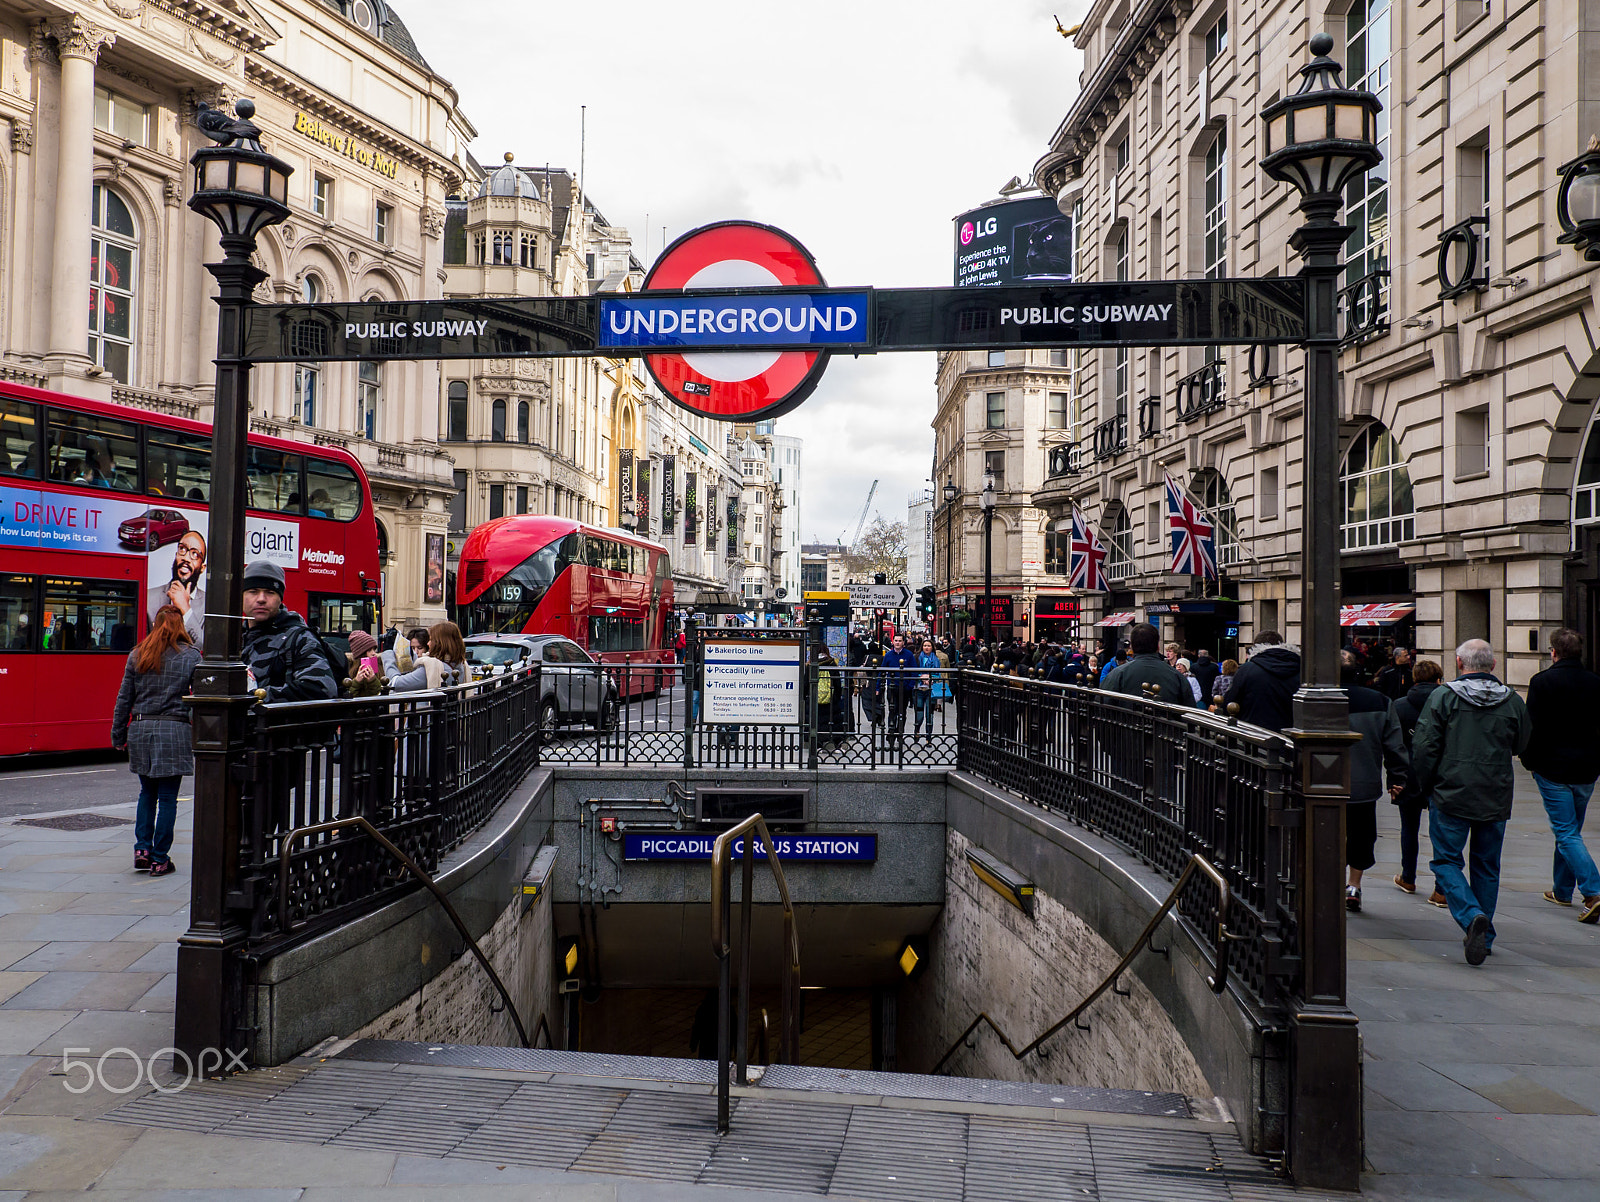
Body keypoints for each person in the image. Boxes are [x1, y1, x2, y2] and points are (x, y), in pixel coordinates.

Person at [1411, 639, 1532, 964]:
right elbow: (1522, 744)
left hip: (1450, 792)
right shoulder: (1512, 701)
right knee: (1487, 865)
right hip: (1494, 793)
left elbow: (1424, 747)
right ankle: (1485, 935)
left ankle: (1470, 916)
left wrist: (1425, 785)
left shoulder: (1444, 696)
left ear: (1459, 664)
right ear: (1493, 666)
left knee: (1447, 862)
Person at [110, 605, 202, 877]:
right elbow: (198, 701)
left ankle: (142, 850)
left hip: (140, 729)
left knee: (146, 793)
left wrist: (118, 734)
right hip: (174, 730)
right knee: (168, 798)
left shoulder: (138, 654)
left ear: (156, 625)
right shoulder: (192, 657)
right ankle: (160, 858)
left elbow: (123, 699)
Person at [1520, 628, 1600, 922]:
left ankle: (1593, 891)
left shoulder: (1542, 682)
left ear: (1553, 652)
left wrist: (1529, 761)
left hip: (1553, 767)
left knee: (1566, 832)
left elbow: (1533, 727)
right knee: (1570, 830)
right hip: (1586, 768)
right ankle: (1562, 889)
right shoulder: (1595, 682)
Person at [1344, 661, 1408, 912]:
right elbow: (1394, 744)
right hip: (1364, 783)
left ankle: (1328, 885)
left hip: (1321, 783)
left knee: (1326, 834)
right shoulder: (1380, 702)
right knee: (1361, 836)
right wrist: (1396, 778)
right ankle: (1354, 885)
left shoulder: (1315, 697)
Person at [241, 561, 338, 702]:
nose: (261, 599)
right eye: (253, 591)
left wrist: (257, 697)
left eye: (270, 592)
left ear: (280, 598)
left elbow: (322, 688)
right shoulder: (233, 638)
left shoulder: (300, 638)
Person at [1390, 659, 1445, 898]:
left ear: (1414, 679)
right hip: (1439, 774)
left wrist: (1394, 777)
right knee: (1441, 831)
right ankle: (1441, 888)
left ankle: (1408, 877)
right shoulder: (1446, 704)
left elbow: (1393, 746)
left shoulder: (1399, 706)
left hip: (1408, 774)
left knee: (1409, 828)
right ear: (1439, 680)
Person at [1221, 632, 1300, 732]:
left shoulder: (1246, 670)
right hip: (1290, 737)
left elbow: (1229, 703)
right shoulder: (1300, 670)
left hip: (1255, 736)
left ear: (1255, 648)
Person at [1103, 623, 1194, 705]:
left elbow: (1102, 706)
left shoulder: (1116, 674)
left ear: (1132, 647)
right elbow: (1190, 712)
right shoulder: (1177, 677)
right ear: (1158, 647)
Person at [147, 530, 208, 650]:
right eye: (182, 549)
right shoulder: (149, 597)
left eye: (195, 554)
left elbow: (204, 649)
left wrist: (185, 609)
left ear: (202, 568)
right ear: (176, 556)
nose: (186, 558)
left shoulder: (210, 604)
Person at [390, 621, 469, 691]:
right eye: (412, 648)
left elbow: (395, 684)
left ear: (440, 643)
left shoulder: (432, 666)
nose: (429, 643)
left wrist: (388, 654)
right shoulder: (460, 664)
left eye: (431, 640)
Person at [880, 634, 917, 736]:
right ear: (893, 642)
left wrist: (910, 686)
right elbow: (882, 671)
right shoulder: (888, 655)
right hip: (892, 687)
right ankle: (891, 732)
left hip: (904, 688)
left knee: (902, 712)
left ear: (903, 643)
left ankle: (900, 731)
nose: (897, 642)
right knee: (892, 710)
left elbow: (914, 672)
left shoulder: (908, 655)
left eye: (900, 641)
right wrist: (878, 687)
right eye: (896, 640)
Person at [912, 637, 942, 737]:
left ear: (932, 647)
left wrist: (930, 677)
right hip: (919, 689)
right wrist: (921, 676)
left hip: (931, 689)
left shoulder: (936, 659)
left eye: (929, 646)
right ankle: (917, 731)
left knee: (930, 715)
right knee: (919, 714)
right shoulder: (916, 657)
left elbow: (938, 674)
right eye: (925, 645)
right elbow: (912, 672)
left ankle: (928, 736)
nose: (926, 647)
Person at [343, 629, 384, 698]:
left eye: (374, 649)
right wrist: (356, 681)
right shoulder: (348, 668)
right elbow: (349, 697)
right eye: (369, 650)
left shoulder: (379, 665)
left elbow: (381, 694)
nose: (373, 653)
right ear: (361, 654)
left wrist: (373, 680)